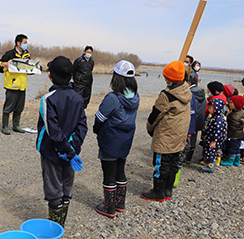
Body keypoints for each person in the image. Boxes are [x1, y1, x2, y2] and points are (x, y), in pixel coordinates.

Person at [36, 56, 87, 227]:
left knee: (54, 190)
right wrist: (72, 148)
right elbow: (82, 126)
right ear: (71, 76)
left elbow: (53, 130)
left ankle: (55, 228)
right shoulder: (78, 98)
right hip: (70, 153)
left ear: (50, 75)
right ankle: (61, 225)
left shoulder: (48, 98)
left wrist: (68, 150)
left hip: (52, 151)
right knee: (66, 187)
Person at [93, 61, 139, 218]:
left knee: (109, 174)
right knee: (120, 171)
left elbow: (99, 118)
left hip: (110, 140)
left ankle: (109, 208)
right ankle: (120, 204)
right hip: (125, 140)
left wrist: (95, 130)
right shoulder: (136, 97)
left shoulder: (113, 98)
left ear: (116, 78)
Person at [141, 61, 191, 202]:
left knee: (161, 164)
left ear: (170, 79)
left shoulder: (167, 95)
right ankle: (167, 190)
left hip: (166, 136)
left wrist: (150, 128)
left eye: (166, 77)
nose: (164, 79)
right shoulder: (186, 91)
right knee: (174, 163)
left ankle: (158, 192)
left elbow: (155, 114)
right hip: (179, 136)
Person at [0, 34, 30, 135]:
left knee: (19, 107)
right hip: (12, 85)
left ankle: (16, 126)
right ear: (18, 43)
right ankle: (5, 127)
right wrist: (4, 65)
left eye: (26, 43)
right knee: (8, 106)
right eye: (24, 43)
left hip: (22, 86)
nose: (26, 45)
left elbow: (29, 69)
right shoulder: (9, 54)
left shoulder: (27, 55)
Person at [183, 76, 207, 166]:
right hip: (199, 121)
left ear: (188, 83)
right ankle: (188, 159)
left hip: (191, 120)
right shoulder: (201, 92)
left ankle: (184, 160)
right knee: (193, 141)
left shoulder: (189, 93)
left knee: (187, 141)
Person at [201, 99, 227, 173]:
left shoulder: (218, 119)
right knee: (209, 151)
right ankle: (209, 164)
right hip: (210, 138)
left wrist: (214, 140)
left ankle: (211, 167)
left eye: (210, 108)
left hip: (214, 140)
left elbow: (217, 131)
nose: (209, 110)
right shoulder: (214, 117)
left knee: (211, 152)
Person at [220, 95, 244, 167]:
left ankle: (230, 160)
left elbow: (233, 127)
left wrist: (228, 135)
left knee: (232, 148)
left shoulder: (234, 116)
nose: (229, 104)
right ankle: (237, 160)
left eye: (231, 103)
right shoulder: (241, 112)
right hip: (239, 135)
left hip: (233, 135)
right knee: (237, 148)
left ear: (236, 104)